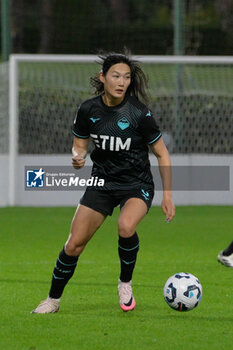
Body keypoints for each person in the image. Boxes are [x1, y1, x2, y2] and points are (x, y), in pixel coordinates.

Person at [31, 51, 175, 314]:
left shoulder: (138, 113)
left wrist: (167, 196)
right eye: (116, 76)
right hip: (101, 182)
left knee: (125, 226)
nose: (122, 82)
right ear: (103, 77)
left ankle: (125, 283)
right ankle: (52, 300)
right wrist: (77, 157)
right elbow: (79, 146)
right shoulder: (88, 109)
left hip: (136, 183)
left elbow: (162, 153)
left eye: (127, 77)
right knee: (74, 244)